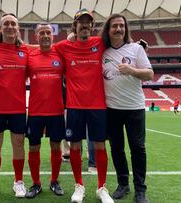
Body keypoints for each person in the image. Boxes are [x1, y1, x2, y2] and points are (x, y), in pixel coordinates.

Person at [54, 8, 114, 203]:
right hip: (74, 105)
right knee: (75, 145)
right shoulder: (64, 46)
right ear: (75, 26)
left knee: (99, 145)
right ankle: (79, 185)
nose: (85, 24)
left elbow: (118, 38)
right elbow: (43, 49)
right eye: (81, 22)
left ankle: (101, 187)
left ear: (92, 26)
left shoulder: (100, 43)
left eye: (88, 22)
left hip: (98, 105)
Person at [100, 13, 154, 203]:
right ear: (108, 29)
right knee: (116, 148)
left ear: (126, 28)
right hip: (112, 108)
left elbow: (150, 74)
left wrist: (132, 70)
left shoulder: (136, 49)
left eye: (121, 26)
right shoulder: (102, 51)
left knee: (138, 148)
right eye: (114, 26)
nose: (118, 29)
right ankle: (123, 183)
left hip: (135, 107)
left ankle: (140, 190)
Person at [0, 13, 28, 202]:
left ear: (18, 28)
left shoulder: (26, 51)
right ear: (0, 28)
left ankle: (19, 181)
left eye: (13, 24)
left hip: (18, 107)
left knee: (18, 144)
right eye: (6, 24)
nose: (10, 26)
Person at [24, 23, 65, 199]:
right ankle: (36, 183)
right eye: (42, 33)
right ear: (36, 36)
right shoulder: (30, 55)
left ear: (53, 35)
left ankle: (54, 181)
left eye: (48, 32)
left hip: (56, 111)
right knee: (34, 147)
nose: (45, 35)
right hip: (35, 111)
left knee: (56, 146)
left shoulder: (60, 54)